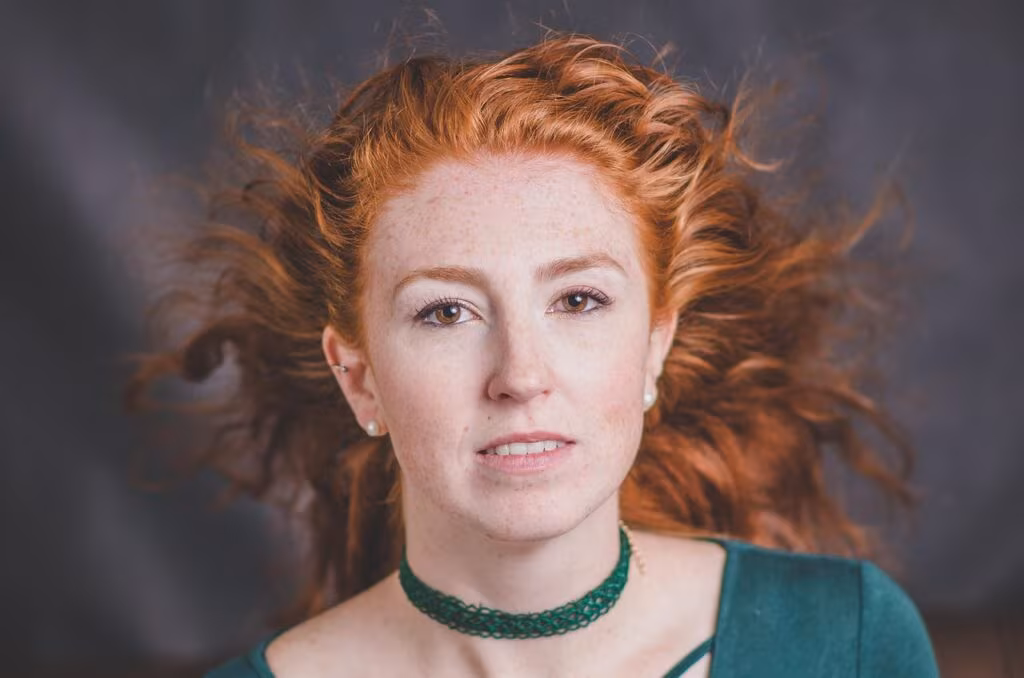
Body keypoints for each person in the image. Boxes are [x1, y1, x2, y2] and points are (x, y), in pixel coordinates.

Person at [130, 34, 939, 677]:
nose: (520, 375)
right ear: (359, 378)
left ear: (656, 345)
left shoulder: (849, 641)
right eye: (446, 311)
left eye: (578, 301)